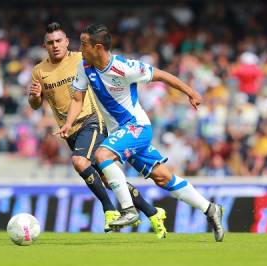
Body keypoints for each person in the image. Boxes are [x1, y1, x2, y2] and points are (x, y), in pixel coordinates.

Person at [56, 24, 224, 242]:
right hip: (122, 134)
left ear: (98, 47)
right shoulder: (84, 67)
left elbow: (161, 75)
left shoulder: (125, 67)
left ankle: (128, 210)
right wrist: (69, 123)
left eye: (84, 44)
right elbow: (77, 99)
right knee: (163, 177)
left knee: (102, 155)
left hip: (137, 127)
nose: (80, 48)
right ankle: (210, 208)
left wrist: (190, 92)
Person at [29, 22, 166, 237]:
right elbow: (35, 104)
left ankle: (109, 210)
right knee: (108, 179)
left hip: (92, 120)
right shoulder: (39, 71)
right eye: (50, 43)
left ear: (66, 42)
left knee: (79, 161)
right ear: (44, 45)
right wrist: (35, 97)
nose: (55, 45)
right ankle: (152, 212)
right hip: (70, 130)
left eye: (59, 41)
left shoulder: (82, 59)